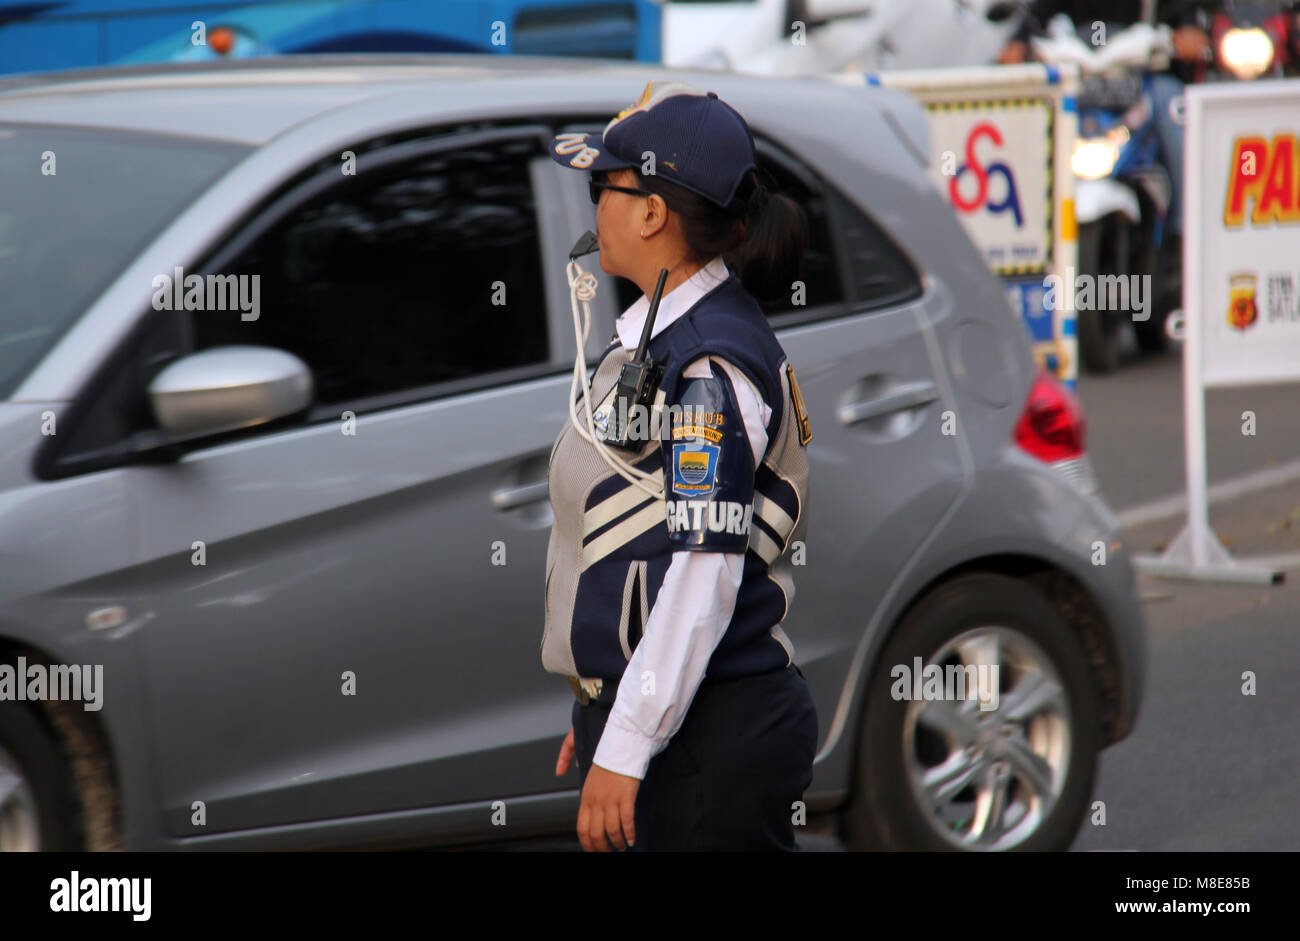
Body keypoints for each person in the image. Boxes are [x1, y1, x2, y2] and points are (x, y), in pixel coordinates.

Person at [541, 80, 818, 852]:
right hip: (681, 724)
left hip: (710, 740)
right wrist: (602, 708)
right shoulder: (665, 335)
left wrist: (629, 739)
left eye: (605, 185)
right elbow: (633, 547)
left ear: (653, 212)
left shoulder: (707, 368)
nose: (593, 205)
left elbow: (704, 572)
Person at [997, 0, 1214, 239]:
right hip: (1077, 83)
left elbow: (1183, 11)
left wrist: (1186, 31)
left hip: (1142, 78)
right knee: (1020, 119)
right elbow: (1038, 15)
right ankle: (1018, 238)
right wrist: (1019, 41)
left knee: (1176, 111)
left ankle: (1182, 233)